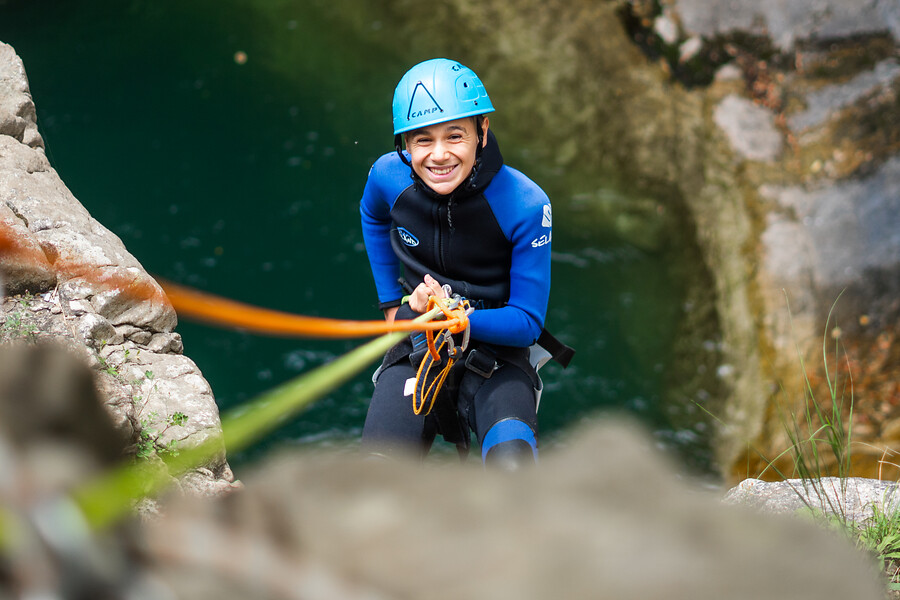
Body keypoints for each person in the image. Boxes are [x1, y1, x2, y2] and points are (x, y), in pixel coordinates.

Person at [359, 58, 571, 470]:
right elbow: (372, 214)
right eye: (422, 140)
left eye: (455, 135)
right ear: (404, 144)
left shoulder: (525, 204)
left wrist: (463, 321)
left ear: (482, 131)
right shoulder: (388, 176)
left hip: (498, 349)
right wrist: (392, 305)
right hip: (420, 336)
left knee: (515, 470)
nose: (439, 155)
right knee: (375, 479)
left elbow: (527, 320)